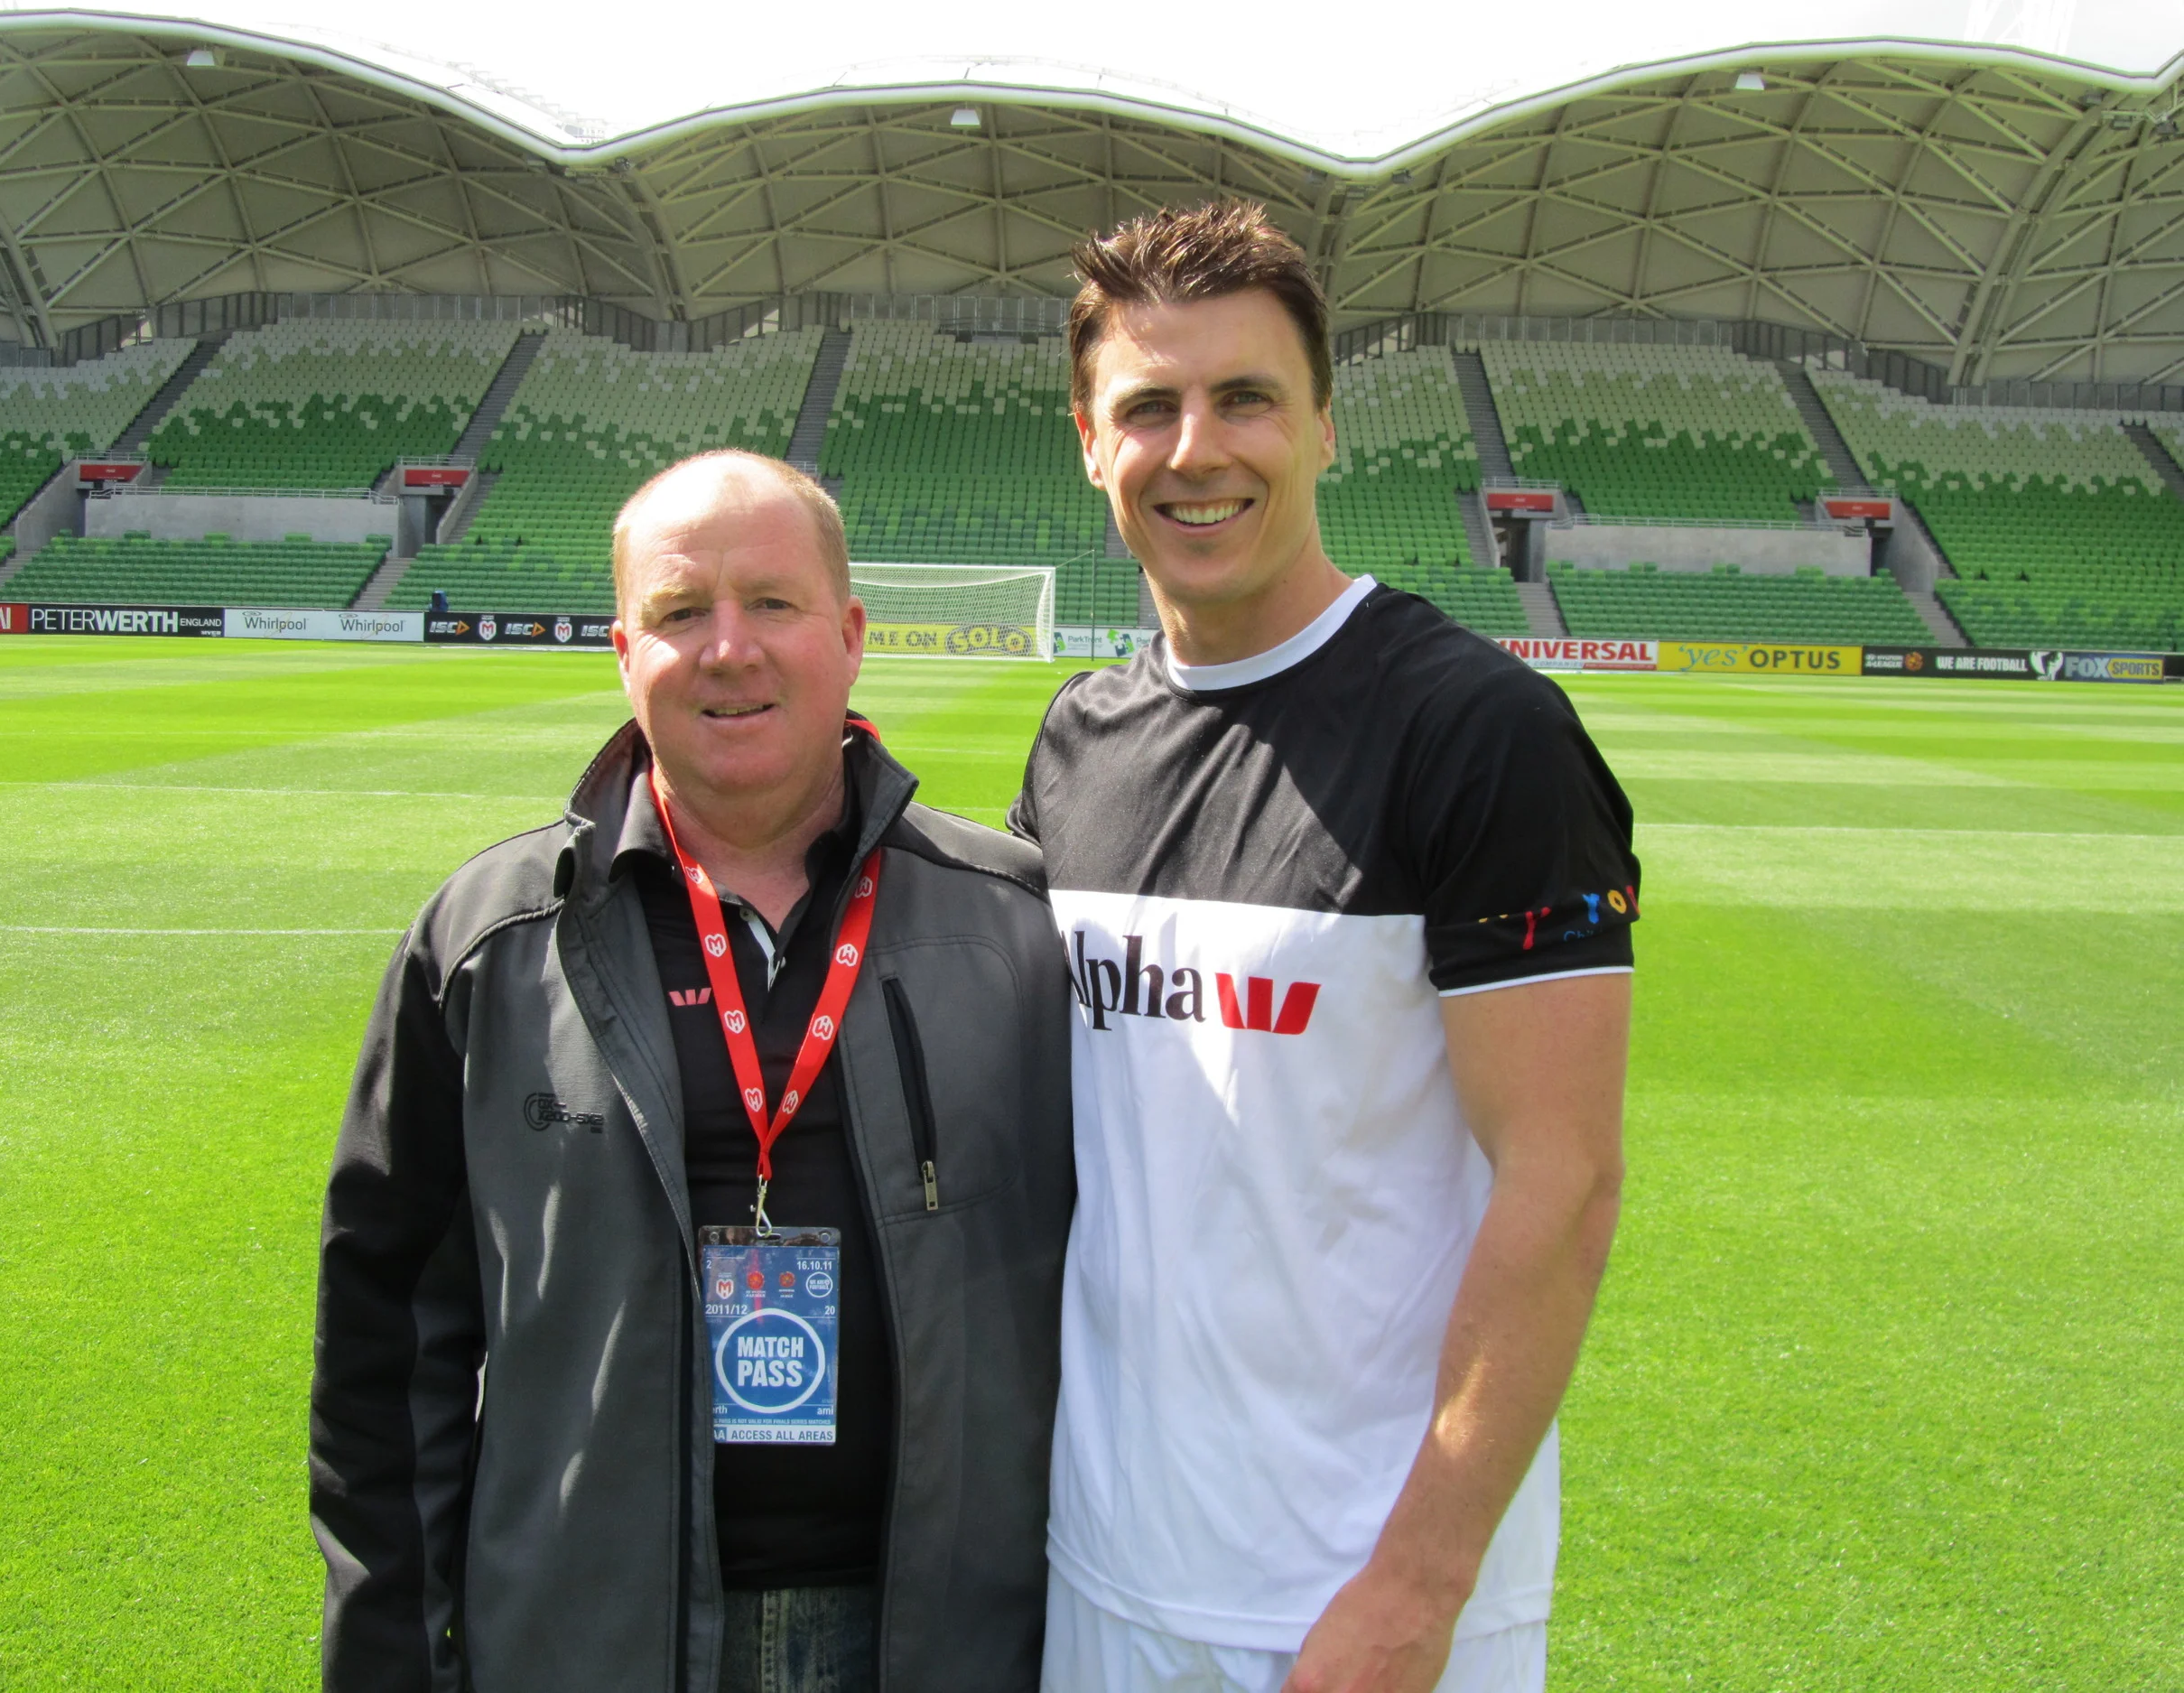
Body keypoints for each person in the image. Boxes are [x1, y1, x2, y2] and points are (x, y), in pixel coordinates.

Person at [312, 451, 1074, 1693]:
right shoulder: (488, 940)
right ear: (624, 650)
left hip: (940, 1646)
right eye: (680, 612)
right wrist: (391, 1651)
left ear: (850, 631)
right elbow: (387, 1343)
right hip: (588, 1644)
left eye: (772, 602)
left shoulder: (1010, 923)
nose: (730, 649)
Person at [1010, 202, 1640, 1693]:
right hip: (1100, 1573)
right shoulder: (1077, 746)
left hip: (1357, 1611)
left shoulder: (1479, 733)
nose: (1197, 447)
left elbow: (1566, 1179)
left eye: (1247, 398)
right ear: (1092, 444)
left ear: (1325, 429)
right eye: (1148, 407)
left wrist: (1416, 1590)